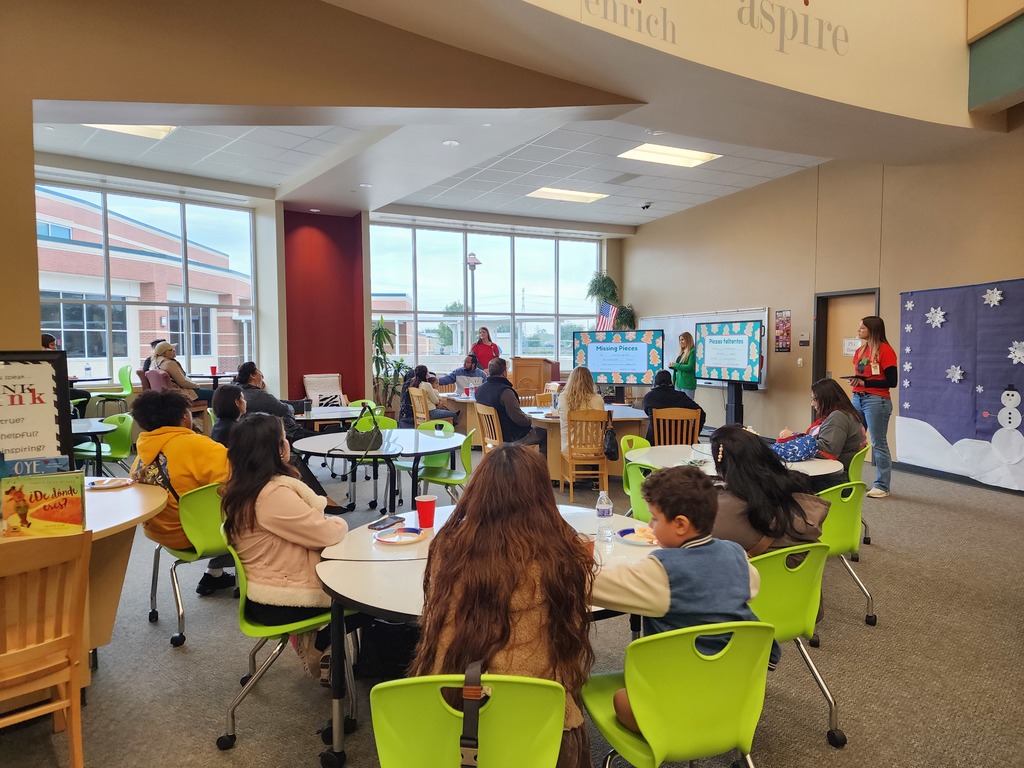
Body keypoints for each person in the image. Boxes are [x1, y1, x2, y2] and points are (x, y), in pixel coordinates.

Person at [410, 444, 595, 767]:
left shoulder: (448, 549)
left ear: (477, 493)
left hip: (452, 718)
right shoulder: (562, 556)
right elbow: (570, 644)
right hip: (540, 730)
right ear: (541, 497)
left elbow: (434, 627)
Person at [590, 465, 780, 733]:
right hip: (736, 690)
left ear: (680, 524)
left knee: (621, 700)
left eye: (654, 519)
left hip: (676, 692)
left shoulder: (661, 573)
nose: (649, 526)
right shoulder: (736, 554)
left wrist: (578, 560)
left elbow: (594, 587)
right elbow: (752, 587)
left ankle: (679, 728)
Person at [221, 413, 348, 682]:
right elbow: (326, 533)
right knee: (366, 601)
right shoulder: (272, 495)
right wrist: (340, 523)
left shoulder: (243, 488)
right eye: (284, 439)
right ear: (276, 450)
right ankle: (322, 641)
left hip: (268, 589)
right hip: (284, 599)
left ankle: (323, 644)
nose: (288, 442)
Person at [130, 389, 234, 596]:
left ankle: (214, 574)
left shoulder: (143, 452)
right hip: (196, 535)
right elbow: (237, 482)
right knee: (261, 513)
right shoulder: (199, 445)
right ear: (184, 417)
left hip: (160, 532)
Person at [709, 424, 829, 555]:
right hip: (801, 572)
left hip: (753, 574)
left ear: (722, 465)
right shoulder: (798, 493)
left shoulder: (723, 511)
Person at [235, 361, 341, 504]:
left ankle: (334, 434)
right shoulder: (259, 396)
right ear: (253, 376)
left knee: (311, 430)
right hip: (278, 436)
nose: (262, 375)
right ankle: (322, 499)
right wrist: (265, 394)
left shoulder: (238, 391)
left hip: (255, 437)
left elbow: (276, 403)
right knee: (318, 439)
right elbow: (284, 409)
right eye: (259, 371)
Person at [779, 378, 867, 492]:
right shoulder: (847, 414)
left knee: (781, 482)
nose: (812, 404)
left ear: (827, 398)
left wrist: (795, 436)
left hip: (836, 481)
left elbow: (828, 450)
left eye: (815, 399)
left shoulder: (838, 417)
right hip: (844, 477)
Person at [850, 316, 898, 498]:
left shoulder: (886, 351)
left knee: (878, 442)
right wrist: (856, 381)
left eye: (862, 328)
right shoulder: (861, 350)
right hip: (857, 398)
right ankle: (850, 479)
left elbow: (892, 381)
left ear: (873, 329)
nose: (859, 330)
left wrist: (866, 383)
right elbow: (861, 376)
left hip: (877, 400)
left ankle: (882, 486)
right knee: (855, 440)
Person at [473, 357, 546, 450]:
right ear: (504, 372)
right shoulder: (505, 392)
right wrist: (530, 420)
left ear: (489, 371)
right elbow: (519, 419)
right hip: (512, 438)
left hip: (491, 436)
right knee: (544, 434)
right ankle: (539, 464)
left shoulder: (479, 390)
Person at [641, 370, 706, 443]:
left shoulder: (649, 397)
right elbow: (701, 413)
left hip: (657, 442)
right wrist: (693, 434)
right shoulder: (681, 397)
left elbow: (646, 412)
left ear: (655, 383)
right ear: (671, 382)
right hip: (684, 441)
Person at [556, 365, 605, 453]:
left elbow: (562, 417)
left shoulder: (564, 398)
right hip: (595, 447)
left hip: (570, 448)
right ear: (590, 381)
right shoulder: (598, 400)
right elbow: (601, 421)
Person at [42, 333, 91, 418]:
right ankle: (77, 419)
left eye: (55, 345)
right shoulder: (47, 357)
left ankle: (75, 418)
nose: (54, 347)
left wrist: (66, 377)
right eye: (52, 344)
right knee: (86, 395)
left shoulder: (53, 358)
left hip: (57, 387)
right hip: (53, 390)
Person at [150, 341, 215, 402]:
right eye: (171, 350)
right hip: (181, 393)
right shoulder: (169, 363)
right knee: (216, 395)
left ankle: (197, 413)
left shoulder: (155, 363)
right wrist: (196, 385)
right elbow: (182, 382)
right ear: (165, 353)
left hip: (167, 395)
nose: (174, 351)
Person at [669, 331, 697, 398]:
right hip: (678, 383)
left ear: (688, 340)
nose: (680, 342)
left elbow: (689, 367)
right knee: (678, 406)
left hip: (687, 384)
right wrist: (672, 366)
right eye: (680, 340)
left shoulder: (692, 351)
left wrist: (675, 365)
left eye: (682, 339)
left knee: (687, 407)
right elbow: (680, 367)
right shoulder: (682, 352)